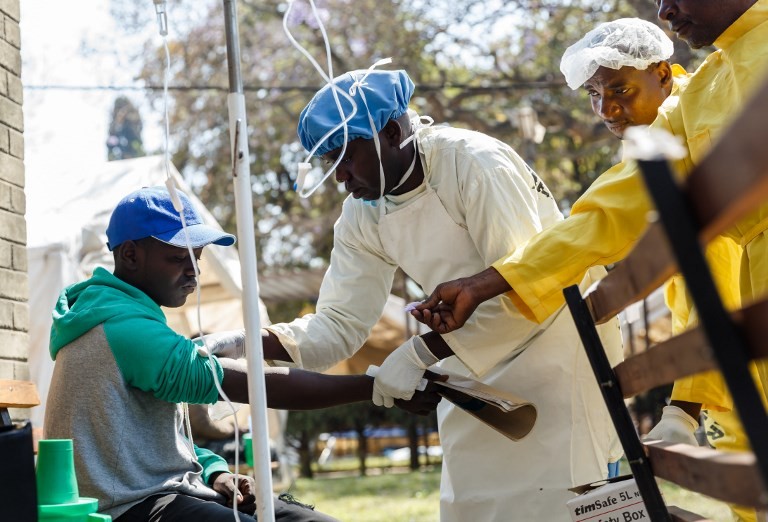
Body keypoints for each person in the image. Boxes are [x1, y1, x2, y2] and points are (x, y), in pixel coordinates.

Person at [413, 2, 768, 520]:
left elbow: (707, 266)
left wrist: (685, 405)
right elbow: (602, 217)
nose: (666, 9)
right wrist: (490, 282)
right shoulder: (699, 97)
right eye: (596, 95)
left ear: (662, 75)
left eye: (619, 90)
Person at [256, 67, 623, 521]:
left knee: (560, 505)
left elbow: (529, 286)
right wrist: (250, 343)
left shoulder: (472, 161)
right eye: (329, 165)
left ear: (391, 132)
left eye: (345, 158)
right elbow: (340, 324)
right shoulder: (362, 213)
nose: (340, 179)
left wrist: (418, 353)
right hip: (469, 369)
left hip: (561, 355)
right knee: (472, 506)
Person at [43, 186, 441, 522]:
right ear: (129, 255)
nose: (194, 273)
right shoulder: (124, 328)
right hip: (129, 510)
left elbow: (160, 443)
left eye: (197, 259)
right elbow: (257, 384)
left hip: (161, 496)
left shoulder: (115, 314)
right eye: (179, 257)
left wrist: (216, 472)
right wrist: (374, 386)